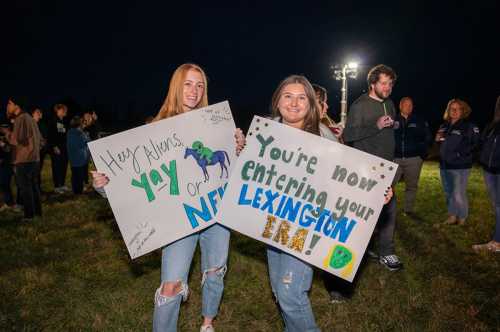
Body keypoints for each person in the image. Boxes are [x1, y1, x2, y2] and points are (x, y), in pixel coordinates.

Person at [92, 63, 245, 332]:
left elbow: (233, 169)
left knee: (214, 272)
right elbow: (130, 184)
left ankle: (208, 323)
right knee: (171, 285)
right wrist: (103, 185)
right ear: (176, 86)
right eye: (187, 84)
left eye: (200, 85)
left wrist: (238, 149)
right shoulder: (154, 129)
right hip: (178, 219)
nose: (194, 91)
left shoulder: (216, 124)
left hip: (215, 212)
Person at [266, 75, 392, 331]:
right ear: (277, 100)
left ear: (311, 103)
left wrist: (375, 190)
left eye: (302, 97)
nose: (294, 103)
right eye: (287, 96)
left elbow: (348, 174)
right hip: (272, 224)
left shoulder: (322, 133)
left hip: (305, 225)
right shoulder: (264, 131)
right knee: (281, 294)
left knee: (291, 295)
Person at [343, 64, 403, 271]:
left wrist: (392, 125)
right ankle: (358, 250)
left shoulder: (390, 103)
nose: (387, 88)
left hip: (388, 169)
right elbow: (348, 135)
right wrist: (375, 125)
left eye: (390, 84)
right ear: (372, 83)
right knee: (364, 215)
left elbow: (387, 131)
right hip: (366, 171)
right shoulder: (360, 105)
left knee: (389, 212)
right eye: (383, 83)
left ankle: (386, 252)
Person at [435, 98, 479, 226]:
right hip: (444, 165)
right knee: (449, 192)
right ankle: (452, 216)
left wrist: (460, 155)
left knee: (458, 193)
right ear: (448, 111)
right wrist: (438, 141)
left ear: (462, 111)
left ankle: (462, 217)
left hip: (460, 167)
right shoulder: (444, 126)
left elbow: (475, 145)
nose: (453, 111)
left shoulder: (468, 126)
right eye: (451, 109)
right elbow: (440, 143)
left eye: (457, 109)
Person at [1, 96, 42, 220]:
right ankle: (37, 213)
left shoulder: (20, 118)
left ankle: (29, 215)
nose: (8, 106)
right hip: (34, 158)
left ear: (17, 106)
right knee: (34, 187)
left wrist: (6, 133)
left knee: (26, 188)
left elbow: (16, 140)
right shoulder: (29, 118)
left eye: (10, 103)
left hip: (24, 159)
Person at [393, 97, 432, 219]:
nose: (409, 107)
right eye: (406, 105)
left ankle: (408, 210)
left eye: (411, 105)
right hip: (395, 159)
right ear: (400, 106)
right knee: (389, 185)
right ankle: (386, 208)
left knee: (411, 186)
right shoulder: (392, 119)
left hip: (414, 159)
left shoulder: (419, 121)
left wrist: (421, 154)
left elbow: (428, 138)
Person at [474, 96, 500, 252]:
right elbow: (482, 143)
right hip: (489, 170)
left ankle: (497, 243)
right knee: (496, 205)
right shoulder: (493, 125)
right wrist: (481, 158)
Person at [48, 103, 69, 193]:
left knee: (64, 166)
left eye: (65, 110)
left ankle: (62, 184)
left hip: (64, 147)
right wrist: (54, 146)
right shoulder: (53, 121)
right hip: (56, 147)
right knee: (57, 167)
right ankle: (57, 186)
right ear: (58, 110)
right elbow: (50, 135)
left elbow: (64, 134)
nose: (65, 112)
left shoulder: (63, 121)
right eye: (63, 110)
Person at [67, 116, 90, 194]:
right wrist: (86, 137)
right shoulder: (78, 133)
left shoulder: (70, 132)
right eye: (82, 123)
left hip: (75, 158)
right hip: (79, 158)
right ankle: (78, 190)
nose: (84, 125)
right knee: (79, 176)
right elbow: (83, 143)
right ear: (79, 124)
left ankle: (76, 190)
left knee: (75, 174)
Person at [31, 107, 48, 191]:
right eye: (37, 112)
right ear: (32, 113)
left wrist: (42, 144)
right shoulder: (29, 125)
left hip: (40, 152)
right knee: (33, 173)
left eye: (40, 112)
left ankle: (37, 189)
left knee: (37, 172)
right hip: (31, 154)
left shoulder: (41, 124)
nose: (39, 114)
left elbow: (43, 138)